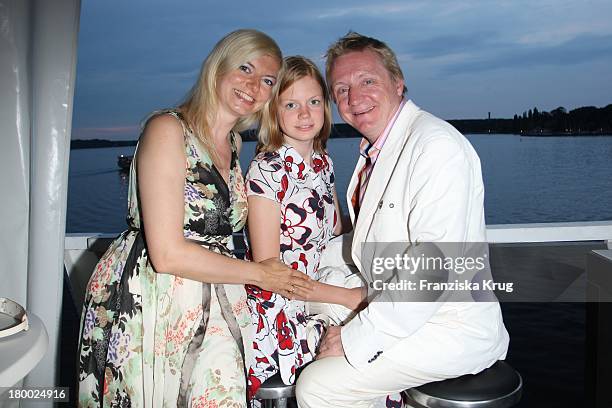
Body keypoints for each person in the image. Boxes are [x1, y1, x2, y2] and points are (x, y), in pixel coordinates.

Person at [76, 29, 314, 408]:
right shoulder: (168, 129)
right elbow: (167, 253)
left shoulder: (235, 145)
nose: (254, 85)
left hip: (216, 297)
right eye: (245, 68)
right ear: (217, 67)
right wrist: (261, 273)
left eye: (267, 80)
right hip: (153, 301)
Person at [296, 32, 510, 408]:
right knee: (301, 307)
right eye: (341, 89)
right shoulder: (377, 151)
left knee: (317, 386)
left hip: (448, 326)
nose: (354, 98)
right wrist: (298, 259)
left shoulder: (436, 147)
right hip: (402, 307)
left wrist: (353, 338)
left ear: (398, 83)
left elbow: (431, 268)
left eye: (367, 81)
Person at [244, 56, 363, 401]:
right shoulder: (266, 171)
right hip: (284, 306)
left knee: (392, 311)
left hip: (324, 285)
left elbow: (337, 235)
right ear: (274, 112)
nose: (305, 114)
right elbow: (271, 273)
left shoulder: (323, 162)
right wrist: (351, 298)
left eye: (313, 102)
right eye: (291, 104)